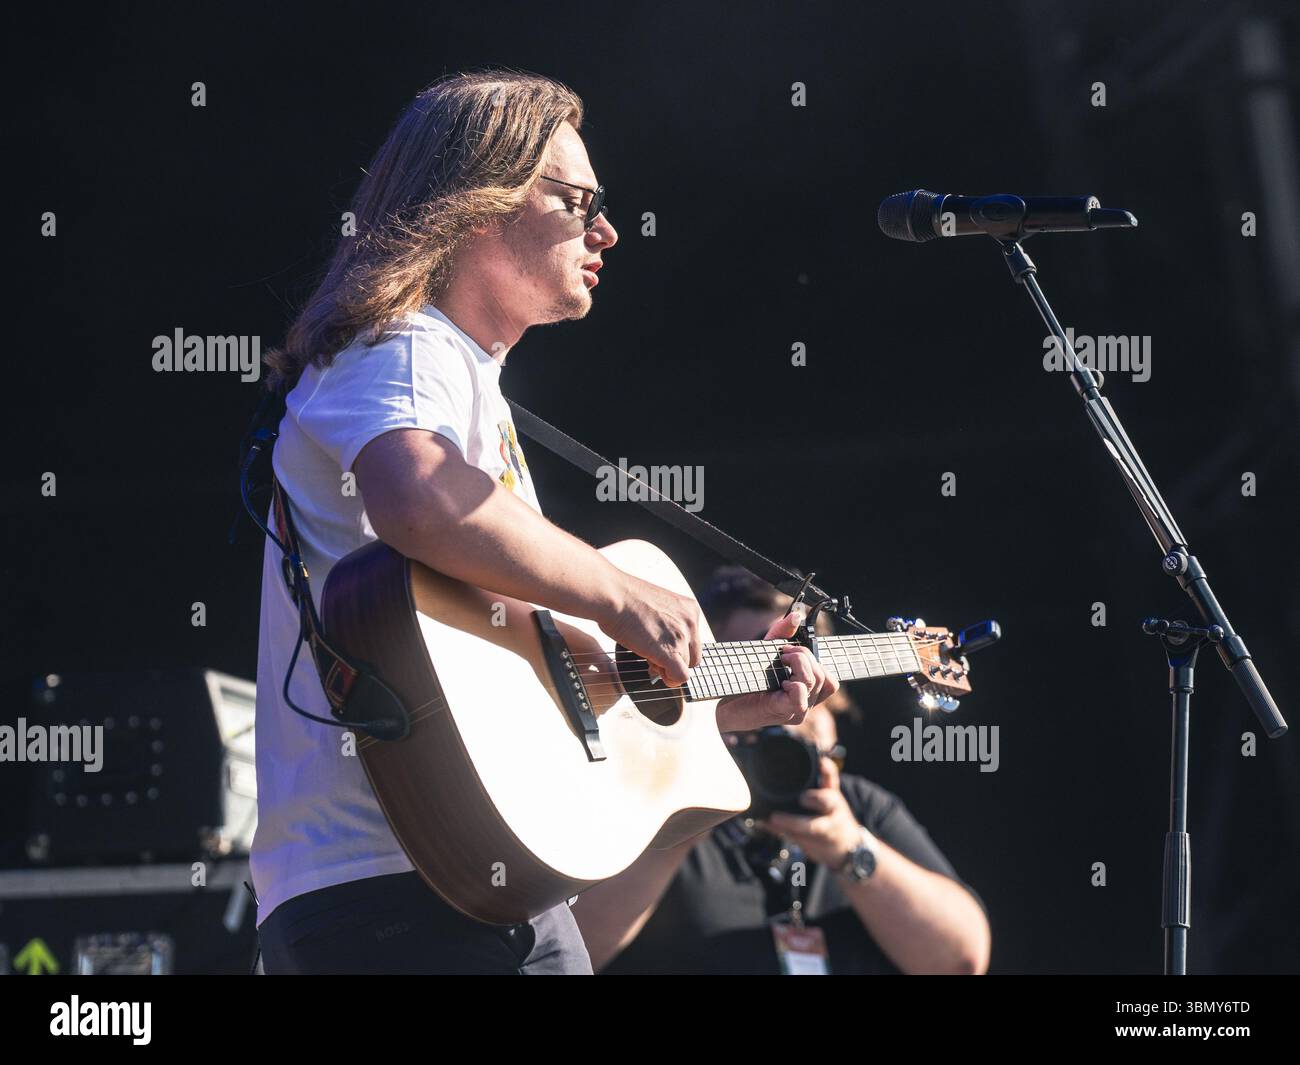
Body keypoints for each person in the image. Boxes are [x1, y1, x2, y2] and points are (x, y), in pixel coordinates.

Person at [249, 71, 839, 975]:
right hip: (387, 888)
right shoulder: (404, 346)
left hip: (476, 882)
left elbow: (524, 671)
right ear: (478, 203)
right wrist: (620, 594)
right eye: (579, 201)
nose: (605, 231)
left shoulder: (464, 380)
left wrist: (706, 699)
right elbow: (416, 496)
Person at [577, 566, 992, 974]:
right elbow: (574, 952)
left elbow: (960, 959)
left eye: (794, 679)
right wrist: (692, 808)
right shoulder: (653, 796)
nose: (783, 705)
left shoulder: (860, 807)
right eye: (754, 676)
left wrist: (851, 850)